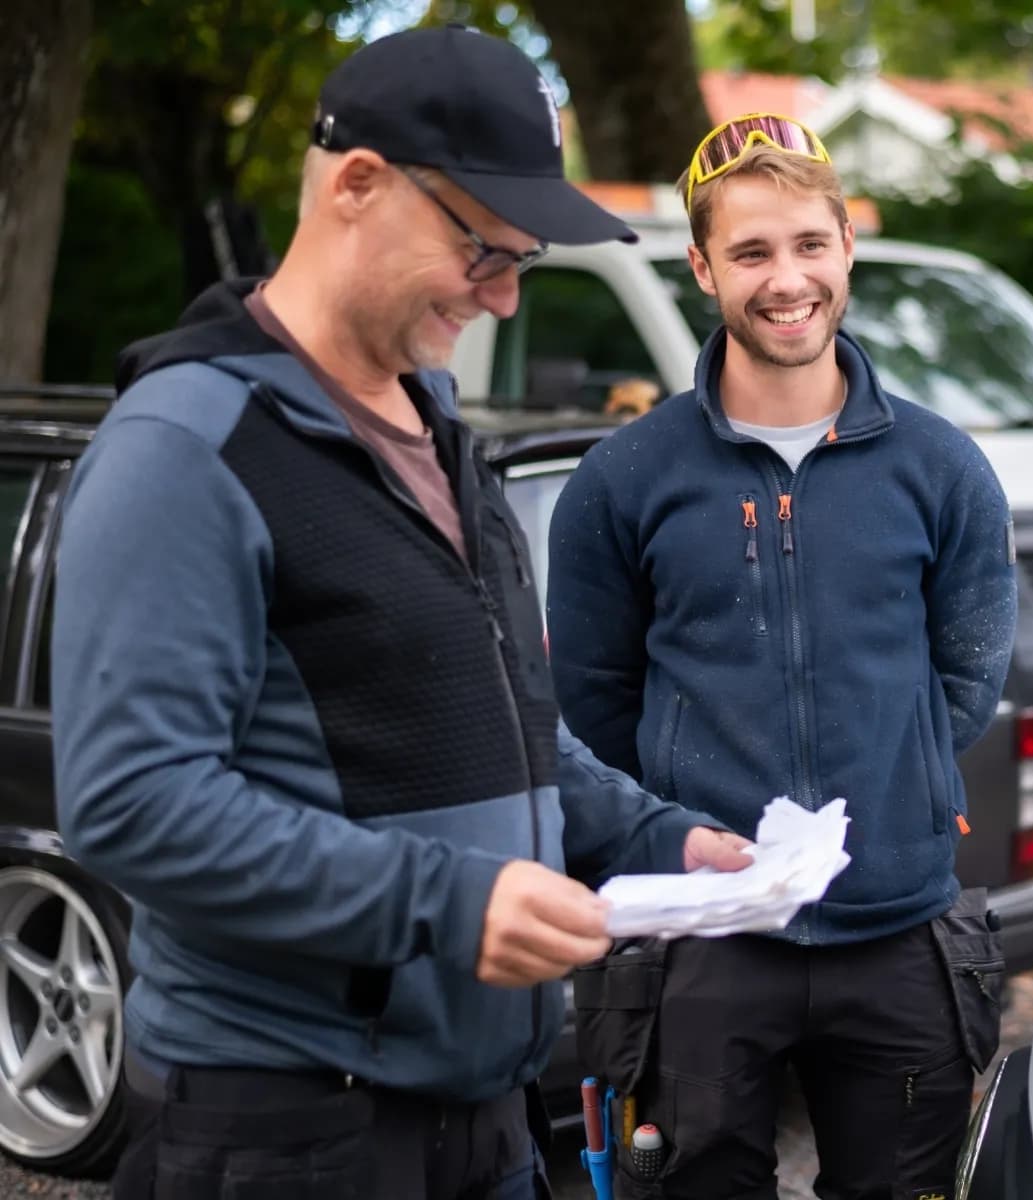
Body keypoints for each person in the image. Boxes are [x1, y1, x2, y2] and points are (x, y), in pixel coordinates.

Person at [50, 24, 752, 1200]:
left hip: (485, 1126)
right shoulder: (182, 447)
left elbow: (501, 729)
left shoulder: (434, 427)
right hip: (292, 1139)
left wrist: (657, 840)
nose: (507, 296)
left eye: (522, 258)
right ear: (358, 185)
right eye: (483, 250)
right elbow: (132, 802)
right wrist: (449, 903)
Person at [545, 114, 1018, 1199]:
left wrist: (886, 788)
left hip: (899, 927)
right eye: (751, 252)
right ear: (703, 267)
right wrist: (689, 819)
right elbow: (596, 700)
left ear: (847, 246)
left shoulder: (944, 469)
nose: (787, 279)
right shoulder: (624, 479)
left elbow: (964, 680)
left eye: (809, 243)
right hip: (705, 935)